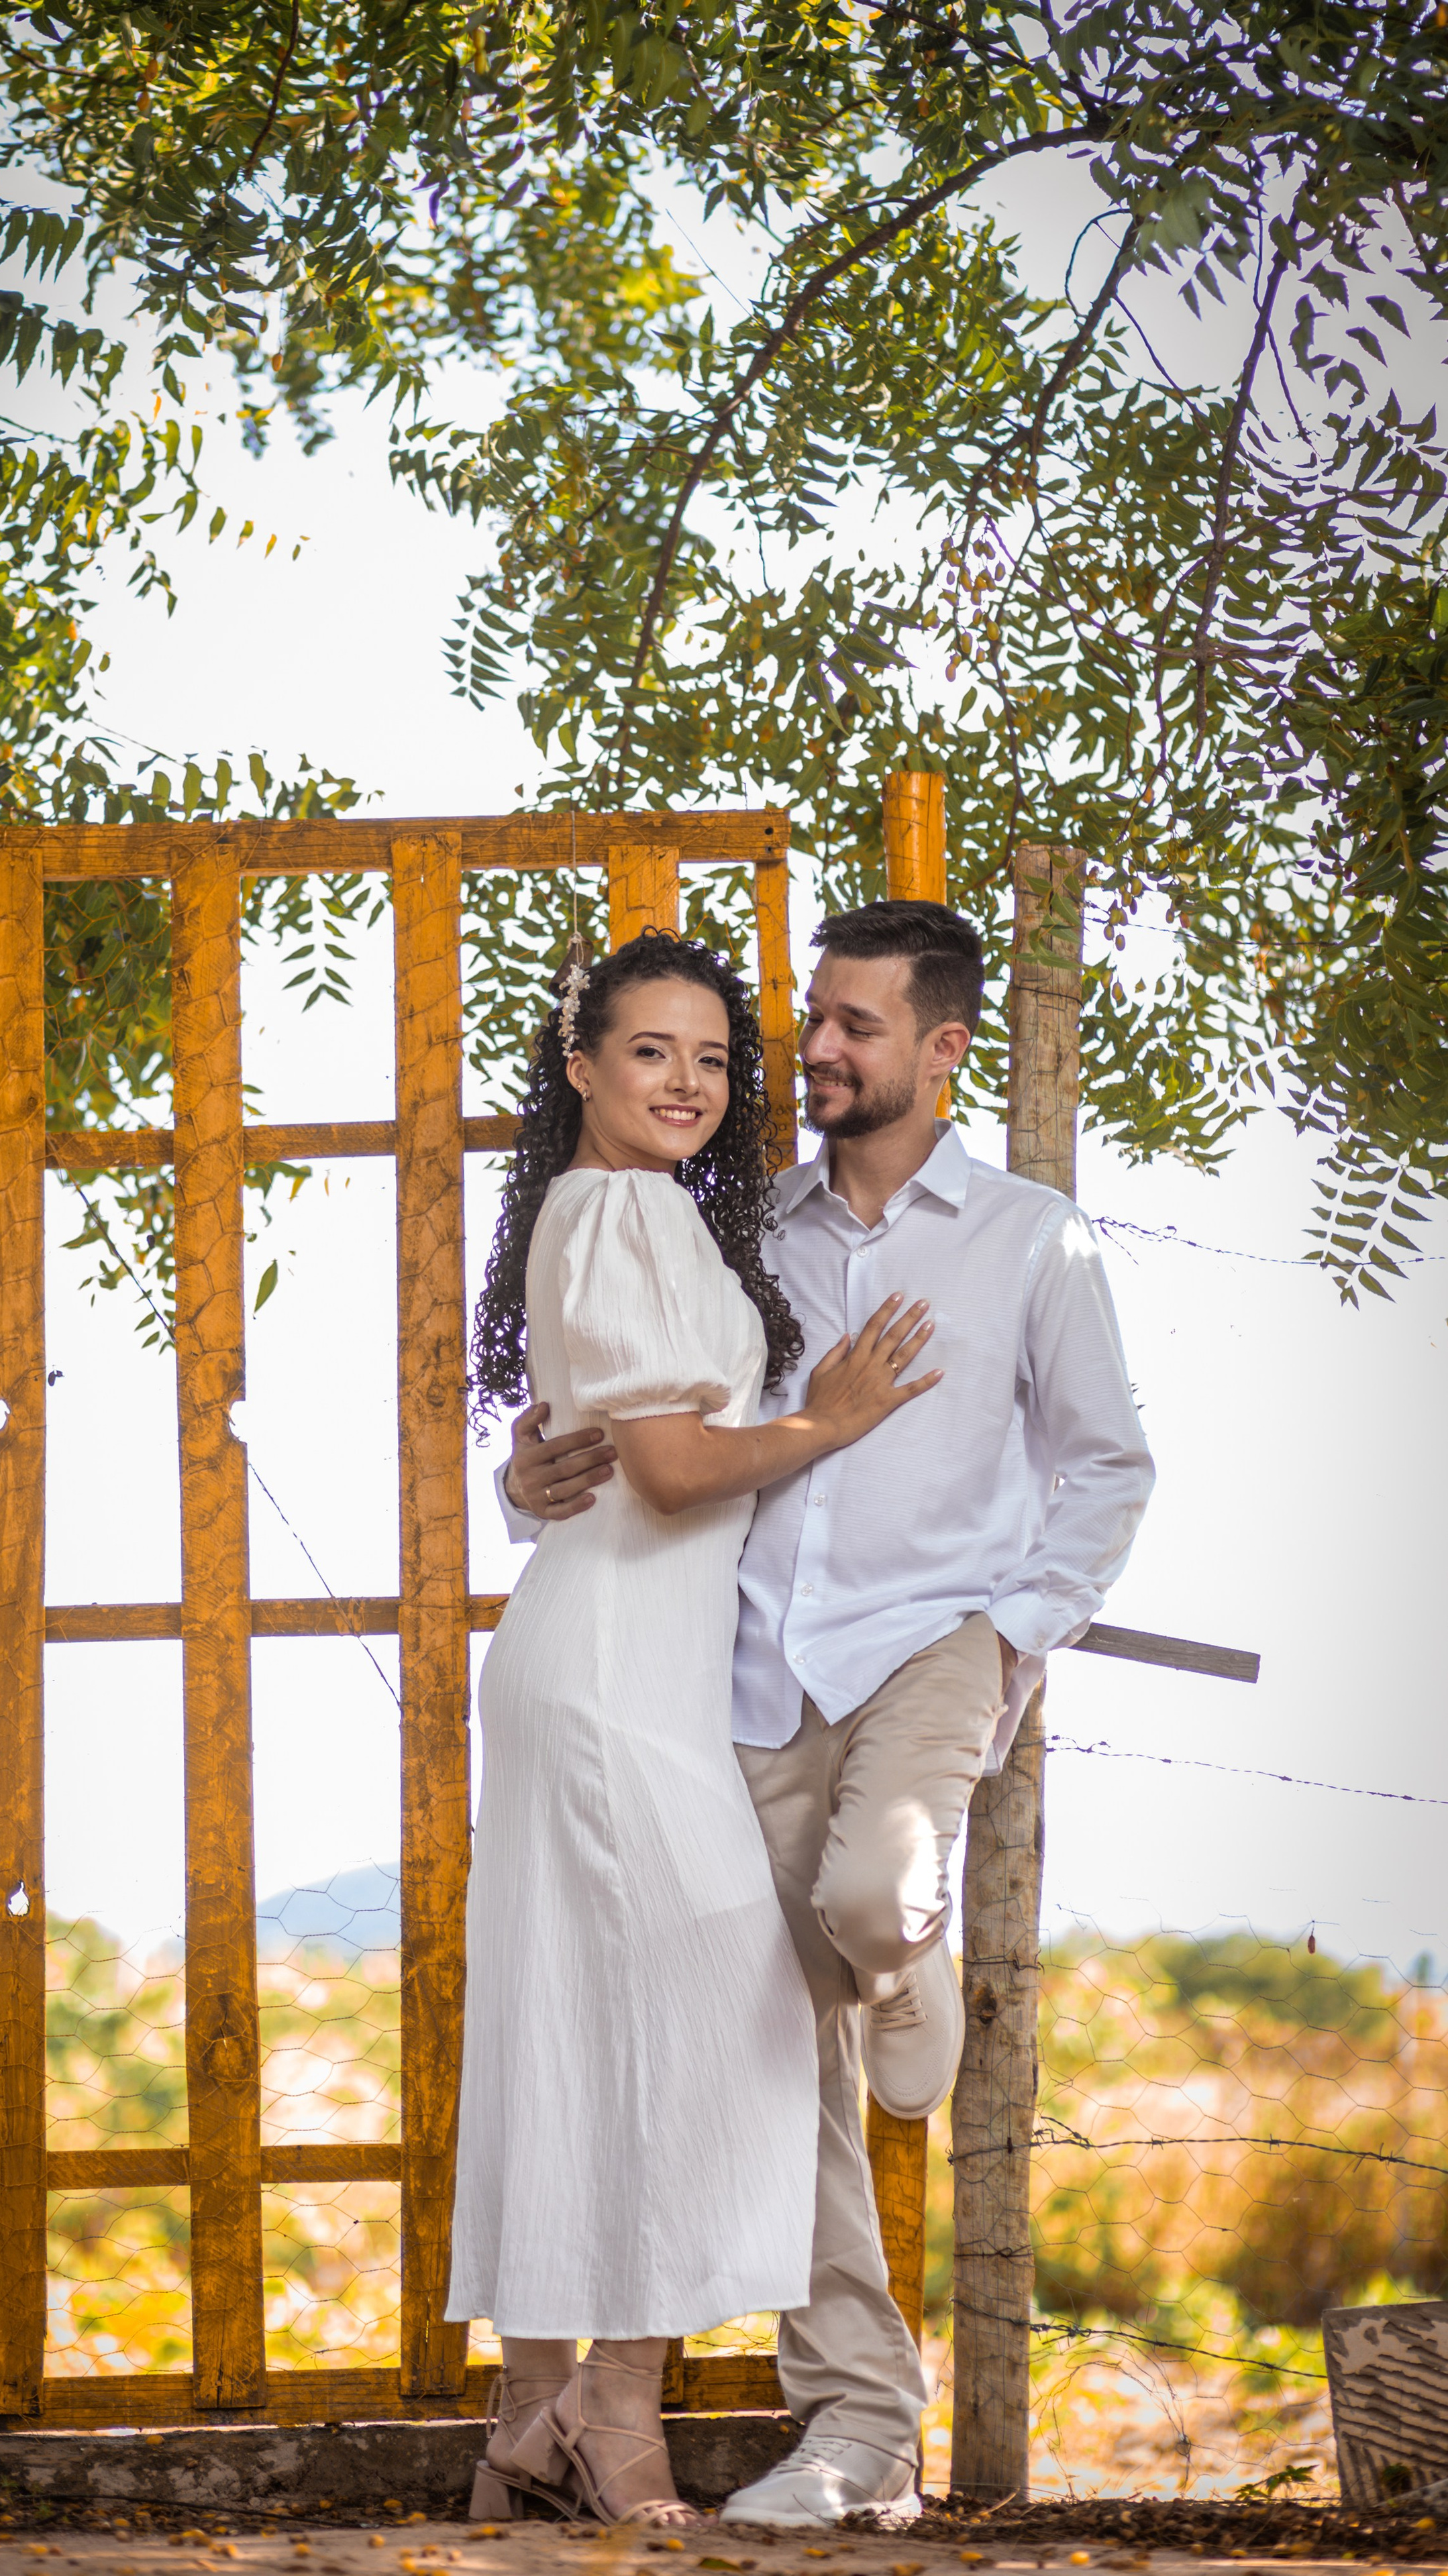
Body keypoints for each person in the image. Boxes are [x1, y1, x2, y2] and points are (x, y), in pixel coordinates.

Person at [503, 898, 1156, 2529]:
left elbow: (1104, 1468)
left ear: (941, 1049)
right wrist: (526, 1476)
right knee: (770, 2062)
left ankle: (899, 1941)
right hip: (737, 1666)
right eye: (807, 1024)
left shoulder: (1030, 1240)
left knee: (874, 1890)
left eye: (852, 1027)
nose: (813, 1054)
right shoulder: (748, 1222)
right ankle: (856, 2432)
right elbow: (636, 1419)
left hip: (931, 1642)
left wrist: (1012, 1638)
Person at [450, 927, 943, 2532]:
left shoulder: (637, 1215)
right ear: (580, 1068)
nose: (685, 1081)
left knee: (575, 2026)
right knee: (716, 2012)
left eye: (713, 1058)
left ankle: (534, 2411)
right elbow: (664, 1474)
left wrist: (539, 1475)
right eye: (648, 1051)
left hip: (617, 1662)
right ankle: (614, 2409)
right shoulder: (615, 1209)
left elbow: (605, 1457)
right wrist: (830, 1418)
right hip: (603, 1679)